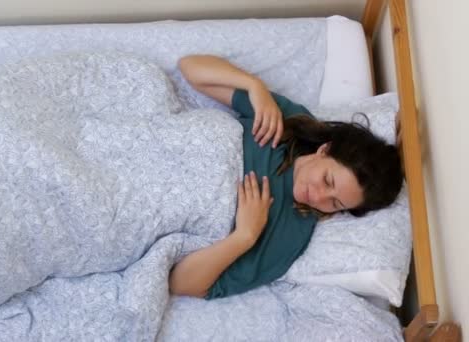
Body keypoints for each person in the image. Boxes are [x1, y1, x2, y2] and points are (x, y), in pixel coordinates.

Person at [168, 55, 403, 299]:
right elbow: (190, 67)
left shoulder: (290, 235)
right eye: (327, 180)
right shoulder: (287, 126)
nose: (318, 196)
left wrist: (244, 236)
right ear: (324, 150)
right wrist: (254, 86)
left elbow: (182, 284)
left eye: (335, 203)